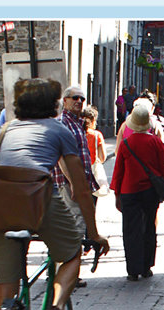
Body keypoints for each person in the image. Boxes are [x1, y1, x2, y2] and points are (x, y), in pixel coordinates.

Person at [0, 78, 109, 310]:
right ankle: (55, 309)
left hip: (1, 206)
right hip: (39, 199)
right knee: (72, 253)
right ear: (54, 105)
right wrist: (94, 233)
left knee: (5, 293)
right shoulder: (59, 131)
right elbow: (81, 189)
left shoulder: (5, 130)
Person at [110, 104, 164, 281]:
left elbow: (119, 171)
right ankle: (146, 266)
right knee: (149, 227)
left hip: (129, 192)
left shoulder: (125, 144)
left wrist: (116, 194)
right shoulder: (155, 142)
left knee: (130, 230)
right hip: (149, 192)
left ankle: (133, 269)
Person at [51, 85, 100, 287]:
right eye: (74, 98)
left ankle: (66, 273)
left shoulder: (77, 123)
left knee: (73, 228)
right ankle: (68, 275)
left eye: (82, 98)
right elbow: (61, 157)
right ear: (65, 101)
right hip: (68, 185)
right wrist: (73, 183)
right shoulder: (63, 123)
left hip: (79, 184)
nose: (79, 101)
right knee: (74, 228)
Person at [81, 105, 107, 203]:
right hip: (92, 175)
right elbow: (102, 157)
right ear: (92, 121)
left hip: (79, 173)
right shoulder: (97, 135)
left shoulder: (77, 132)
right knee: (92, 204)